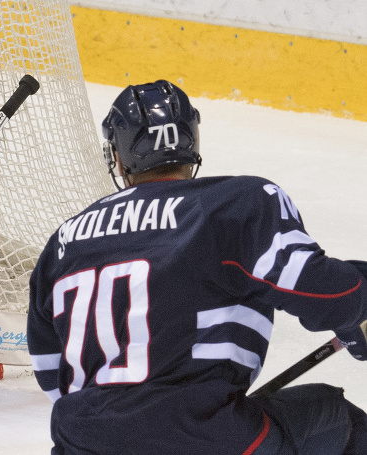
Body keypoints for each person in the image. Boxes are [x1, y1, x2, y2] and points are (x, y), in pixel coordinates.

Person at [27, 79, 367, 454]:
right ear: (192, 143)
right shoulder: (233, 204)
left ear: (119, 157)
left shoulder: (64, 240)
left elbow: (52, 375)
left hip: (83, 442)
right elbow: (332, 295)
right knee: (334, 417)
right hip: (206, 438)